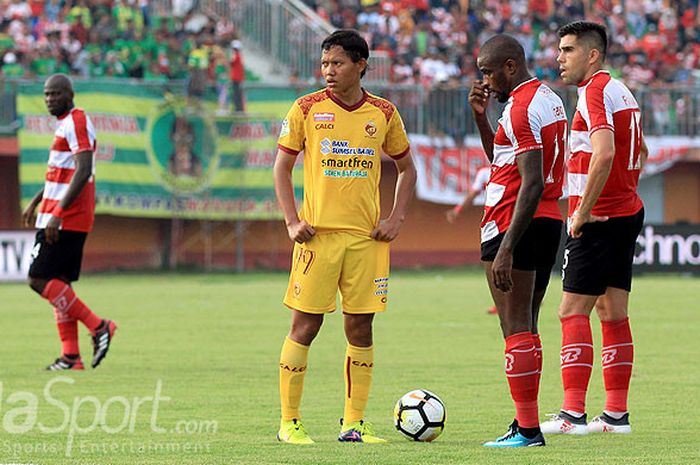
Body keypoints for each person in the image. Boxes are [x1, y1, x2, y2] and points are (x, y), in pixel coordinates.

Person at [274, 29, 416, 444]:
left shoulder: (383, 113)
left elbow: (408, 169)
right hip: (317, 240)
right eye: (324, 64)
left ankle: (353, 424)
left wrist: (395, 219)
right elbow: (281, 168)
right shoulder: (306, 108)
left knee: (361, 330)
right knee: (305, 326)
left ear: (360, 64)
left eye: (337, 63)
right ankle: (289, 423)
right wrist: (291, 221)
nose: (328, 71)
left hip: (366, 242)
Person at [540, 21, 647, 436]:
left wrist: (582, 211)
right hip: (625, 212)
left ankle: (572, 415)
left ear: (592, 55)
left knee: (571, 311)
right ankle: (616, 416)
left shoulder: (597, 91)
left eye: (567, 50)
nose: (559, 58)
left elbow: (604, 153)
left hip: (599, 217)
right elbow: (641, 148)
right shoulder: (621, 90)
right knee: (613, 312)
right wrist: (624, 189)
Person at [468, 34, 567, 448]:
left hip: (514, 220)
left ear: (511, 65)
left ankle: (527, 430)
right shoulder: (546, 97)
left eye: (489, 71)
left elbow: (531, 180)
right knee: (527, 323)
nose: (485, 81)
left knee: (514, 327)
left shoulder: (523, 107)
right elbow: (504, 159)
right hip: (545, 220)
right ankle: (524, 423)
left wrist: (507, 246)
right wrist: (481, 117)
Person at [21, 74, 117, 371]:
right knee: (58, 283)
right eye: (47, 94)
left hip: (66, 217)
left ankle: (99, 326)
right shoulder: (64, 125)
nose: (50, 99)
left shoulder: (76, 120)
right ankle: (71, 356)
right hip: (54, 213)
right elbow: (63, 172)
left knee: (38, 279)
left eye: (56, 93)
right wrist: (39, 199)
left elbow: (84, 169)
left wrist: (59, 212)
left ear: (70, 94)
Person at [445, 165, 498, 315]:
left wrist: (457, 211)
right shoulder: (489, 171)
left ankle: (502, 303)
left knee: (494, 261)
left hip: (497, 222)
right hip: (515, 219)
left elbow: (473, 194)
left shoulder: (486, 172)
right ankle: (527, 299)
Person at [229, 39, 245, 113]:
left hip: (236, 78)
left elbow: (231, 62)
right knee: (237, 93)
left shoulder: (236, 55)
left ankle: (238, 109)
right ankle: (238, 108)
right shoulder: (239, 55)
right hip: (237, 77)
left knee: (237, 94)